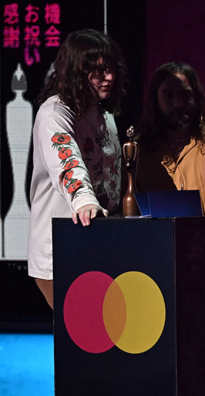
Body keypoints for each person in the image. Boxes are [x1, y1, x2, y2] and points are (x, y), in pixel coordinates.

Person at [28, 29, 127, 309]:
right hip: (61, 249)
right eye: (97, 71)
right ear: (75, 71)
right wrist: (84, 200)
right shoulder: (54, 114)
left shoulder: (104, 115)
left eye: (110, 69)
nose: (108, 77)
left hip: (98, 241)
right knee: (82, 341)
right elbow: (68, 162)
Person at [134, 62, 205, 213]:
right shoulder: (138, 151)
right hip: (156, 236)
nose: (177, 103)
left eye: (185, 94)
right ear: (156, 99)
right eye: (168, 95)